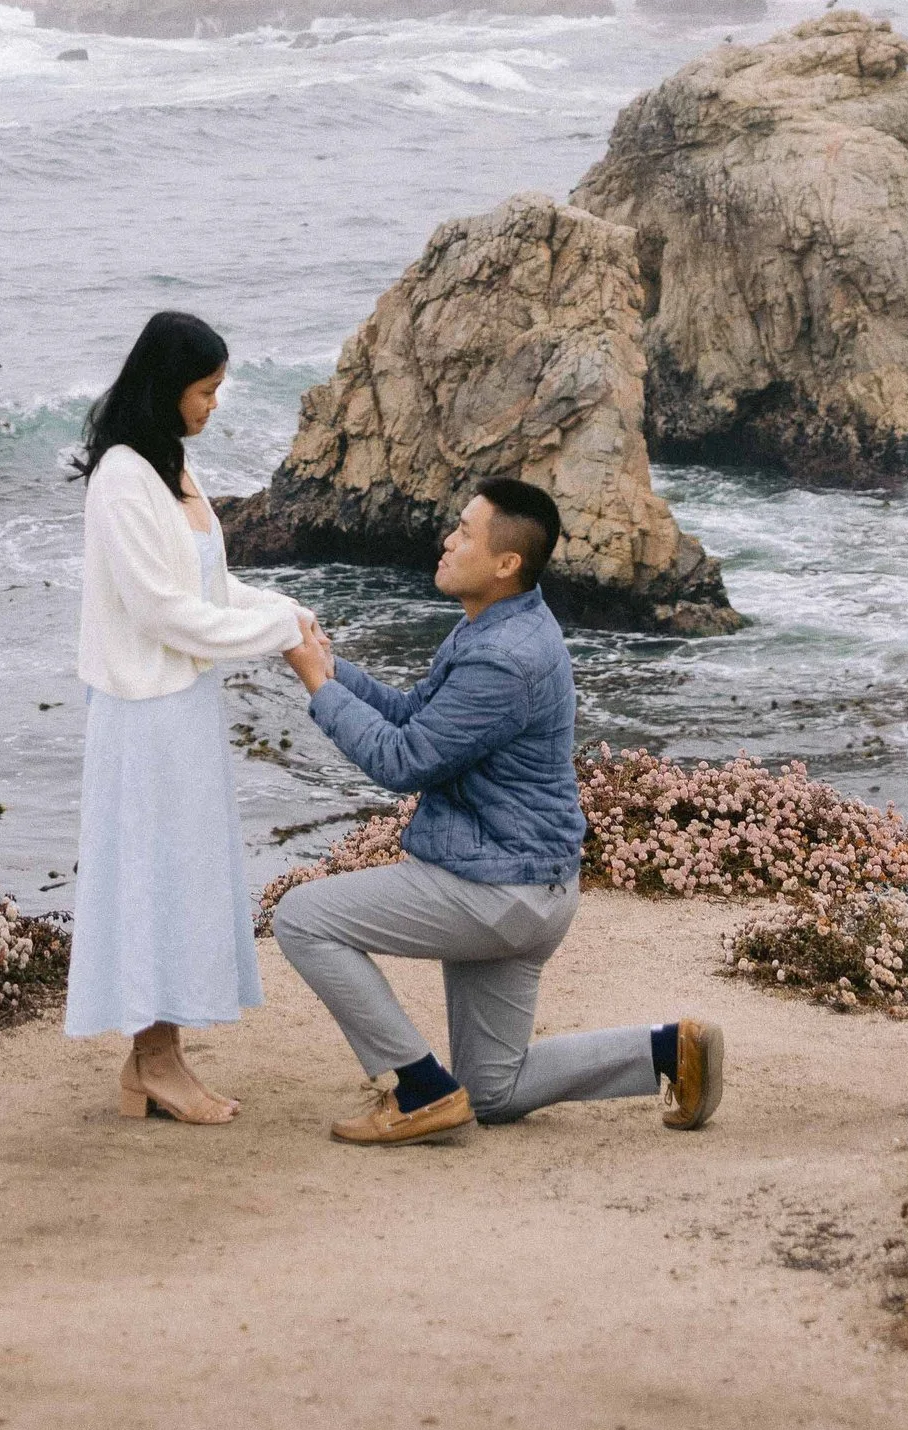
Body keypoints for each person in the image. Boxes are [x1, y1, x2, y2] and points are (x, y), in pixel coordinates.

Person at [273, 476, 724, 1144]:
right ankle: (666, 1051)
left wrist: (315, 685)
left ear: (507, 562)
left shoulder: (504, 658)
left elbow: (401, 762)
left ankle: (418, 1090)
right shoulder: (499, 624)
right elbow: (419, 715)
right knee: (493, 1091)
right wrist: (335, 670)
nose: (447, 540)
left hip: (496, 890)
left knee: (302, 917)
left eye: (463, 531)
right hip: (524, 886)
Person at [64, 307, 307, 1124]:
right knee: (152, 878)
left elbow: (210, 591)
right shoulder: (123, 478)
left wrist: (287, 612)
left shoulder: (174, 469)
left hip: (185, 705)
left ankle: (153, 1064)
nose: (212, 406)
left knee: (185, 876)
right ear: (166, 388)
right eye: (205, 391)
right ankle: (154, 1061)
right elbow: (162, 613)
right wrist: (274, 632)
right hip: (143, 712)